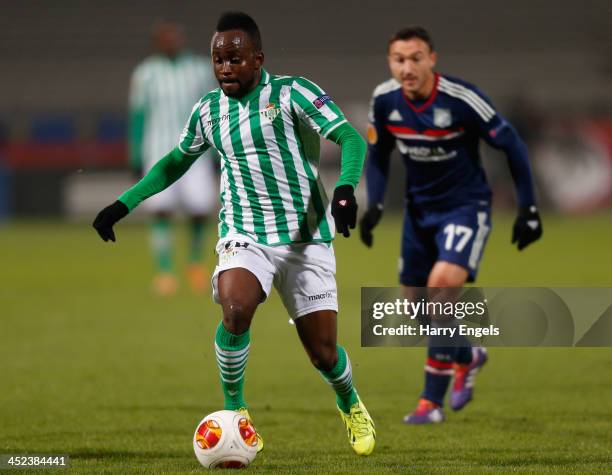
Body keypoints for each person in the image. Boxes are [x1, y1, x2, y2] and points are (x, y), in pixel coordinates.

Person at [94, 11, 376, 455]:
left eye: (235, 58)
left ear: (258, 59)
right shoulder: (208, 109)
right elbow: (174, 163)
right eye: (218, 59)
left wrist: (344, 189)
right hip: (245, 234)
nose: (225, 67)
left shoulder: (293, 92)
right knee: (235, 307)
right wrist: (122, 204)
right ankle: (236, 413)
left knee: (323, 353)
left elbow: (351, 139)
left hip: (306, 240)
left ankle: (349, 401)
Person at [360, 26, 542, 424]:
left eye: (415, 58)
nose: (407, 68)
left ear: (432, 59)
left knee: (441, 289)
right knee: (416, 306)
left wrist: (528, 208)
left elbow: (512, 145)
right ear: (390, 62)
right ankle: (468, 354)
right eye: (399, 59)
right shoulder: (384, 100)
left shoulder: (462, 99)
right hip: (418, 213)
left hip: (465, 208)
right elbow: (377, 154)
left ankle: (430, 403)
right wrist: (372, 203)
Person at [129, 21, 218, 296]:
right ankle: (165, 271)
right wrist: (134, 153)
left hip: (195, 152)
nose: (171, 43)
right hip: (158, 152)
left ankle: (194, 265)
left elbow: (213, 109)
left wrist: (216, 150)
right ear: (157, 42)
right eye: (165, 39)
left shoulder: (200, 69)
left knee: (200, 209)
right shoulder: (145, 73)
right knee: (161, 210)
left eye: (175, 38)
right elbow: (138, 114)